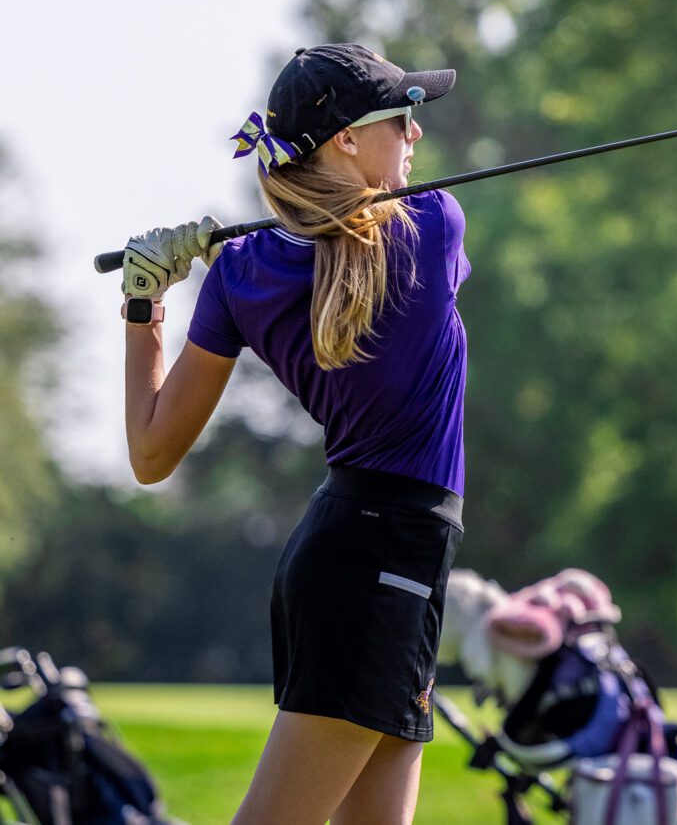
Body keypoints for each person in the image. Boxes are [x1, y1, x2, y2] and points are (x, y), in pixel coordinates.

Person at [119, 43, 469, 824]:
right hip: (385, 563)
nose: (416, 135)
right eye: (402, 118)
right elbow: (353, 245)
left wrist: (147, 302)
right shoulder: (437, 225)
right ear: (346, 139)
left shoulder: (239, 274)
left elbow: (149, 452)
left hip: (359, 553)